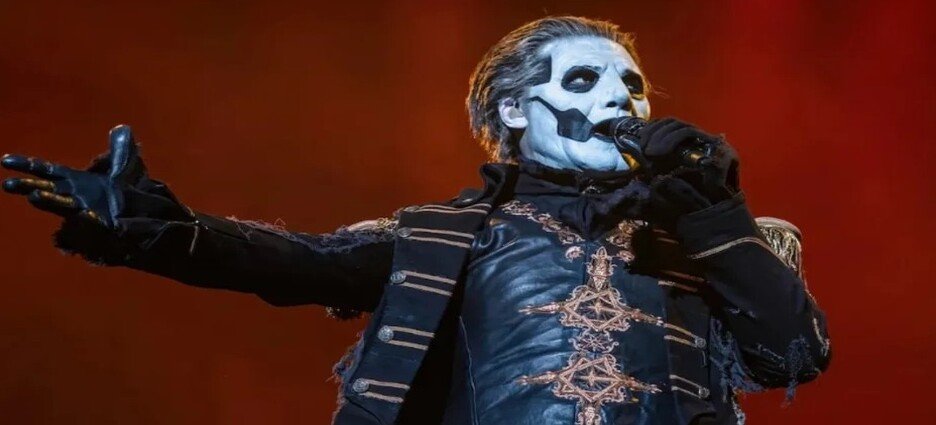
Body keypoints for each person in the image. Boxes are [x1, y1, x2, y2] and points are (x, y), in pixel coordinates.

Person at [1, 16, 830, 425]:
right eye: (583, 81)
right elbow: (292, 263)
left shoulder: (708, 236)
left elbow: (795, 354)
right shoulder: (448, 234)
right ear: (516, 109)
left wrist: (716, 214)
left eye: (633, 86)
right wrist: (159, 229)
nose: (621, 99)